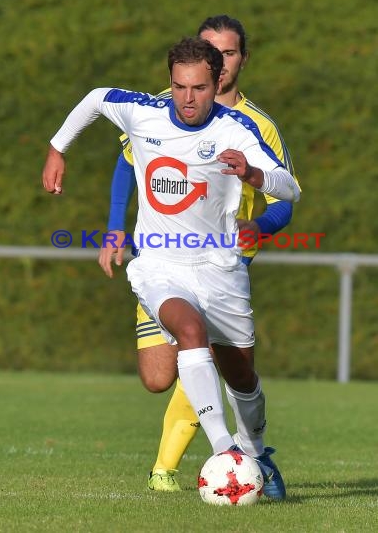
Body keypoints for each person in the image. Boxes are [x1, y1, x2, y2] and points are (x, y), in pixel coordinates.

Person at [43, 36, 300, 501]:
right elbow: (96, 99)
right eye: (179, 86)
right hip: (160, 263)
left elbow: (291, 189)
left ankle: (254, 450)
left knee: (243, 378)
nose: (187, 98)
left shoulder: (238, 130)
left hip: (220, 268)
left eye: (199, 88)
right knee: (189, 331)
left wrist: (253, 174)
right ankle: (225, 451)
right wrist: (57, 147)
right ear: (170, 82)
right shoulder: (143, 111)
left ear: (216, 81)